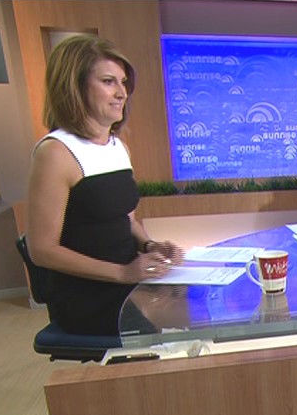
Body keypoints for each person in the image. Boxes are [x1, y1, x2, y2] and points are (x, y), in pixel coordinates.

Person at [26, 35, 184, 336]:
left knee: (197, 305)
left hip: (128, 275)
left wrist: (150, 246)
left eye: (123, 83)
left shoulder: (118, 147)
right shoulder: (56, 152)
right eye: (109, 82)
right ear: (75, 87)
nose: (121, 93)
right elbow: (42, 250)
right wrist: (123, 273)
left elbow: (127, 220)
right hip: (89, 294)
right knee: (174, 330)